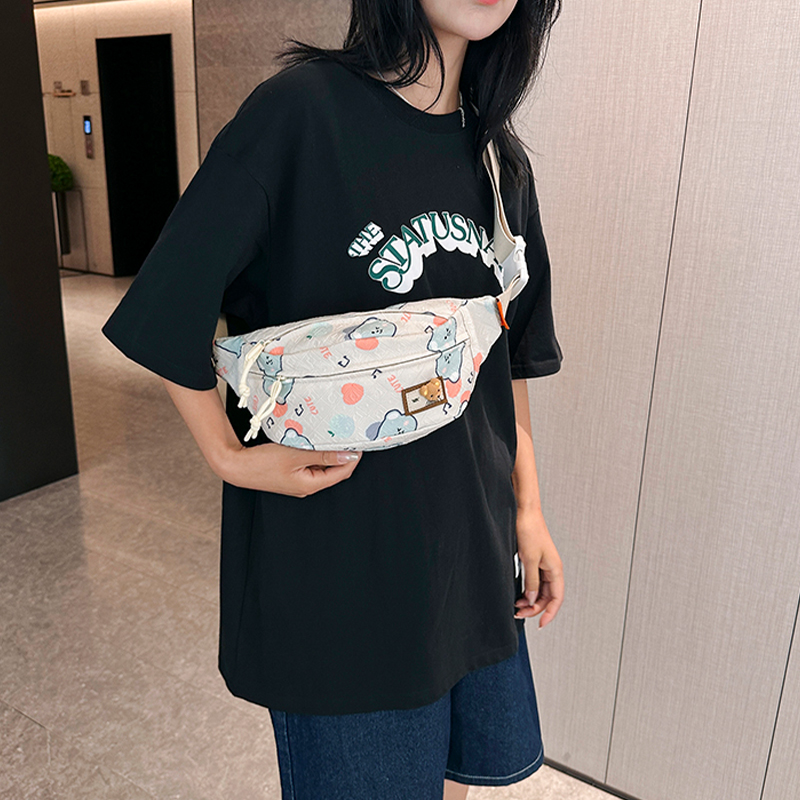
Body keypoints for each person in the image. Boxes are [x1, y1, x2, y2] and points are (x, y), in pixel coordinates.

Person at [101, 0, 565, 796]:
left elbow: (509, 356)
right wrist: (228, 457)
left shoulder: (498, 160)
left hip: (471, 559)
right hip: (343, 576)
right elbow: (170, 299)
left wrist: (529, 510)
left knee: (451, 783)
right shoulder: (301, 116)